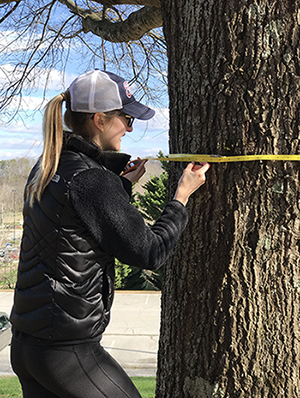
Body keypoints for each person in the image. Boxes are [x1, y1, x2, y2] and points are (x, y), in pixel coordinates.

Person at [10, 69, 210, 398]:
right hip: (67, 352)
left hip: (28, 347)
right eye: (126, 119)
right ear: (100, 120)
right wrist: (181, 197)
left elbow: (77, 220)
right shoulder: (93, 181)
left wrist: (122, 185)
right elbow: (150, 252)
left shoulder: (49, 165)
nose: (130, 128)